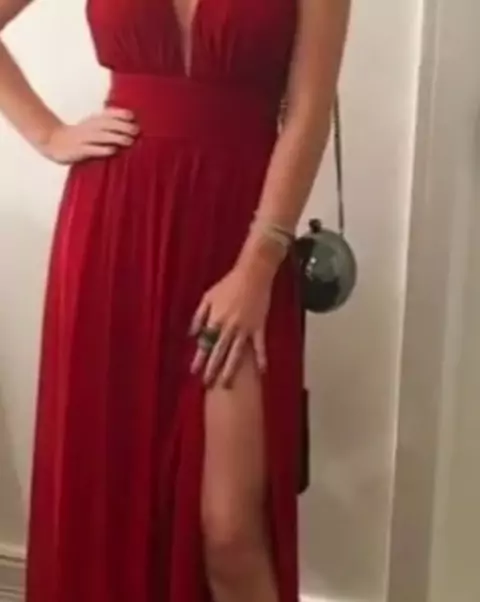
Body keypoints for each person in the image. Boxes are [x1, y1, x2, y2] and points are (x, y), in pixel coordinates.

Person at [0, 1, 350, 601]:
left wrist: (258, 265)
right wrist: (49, 134)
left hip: (239, 236)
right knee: (112, 490)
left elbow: (309, 111)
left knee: (230, 530)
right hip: (114, 230)